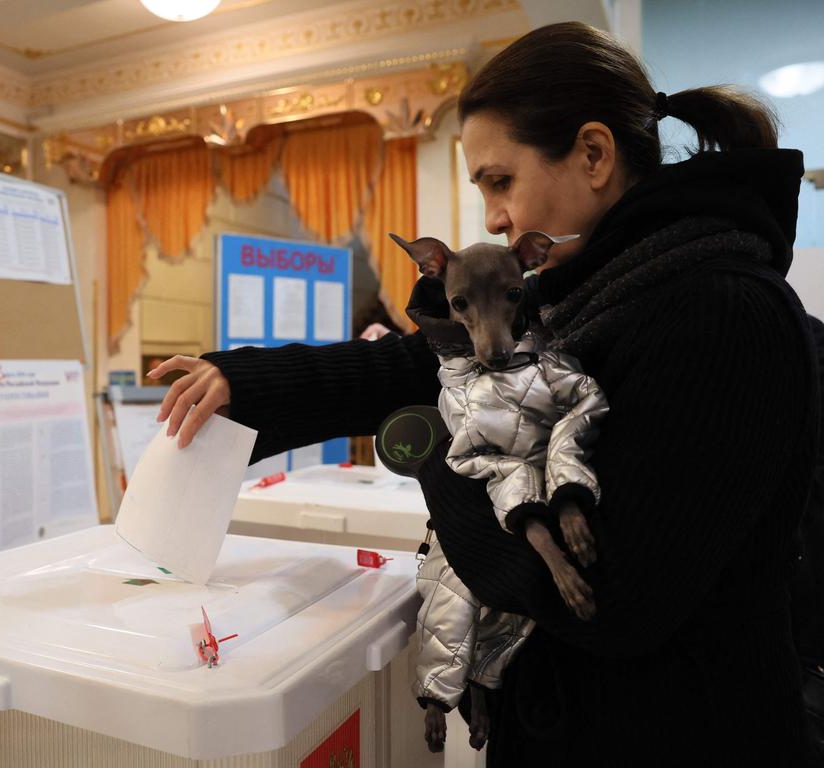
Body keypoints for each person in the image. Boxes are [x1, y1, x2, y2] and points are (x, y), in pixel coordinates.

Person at [149, 22, 819, 766]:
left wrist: (440, 452)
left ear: (593, 155)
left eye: (500, 181)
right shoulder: (583, 294)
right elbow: (410, 367)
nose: (493, 216)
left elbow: (609, 595)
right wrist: (240, 380)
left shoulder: (719, 312)